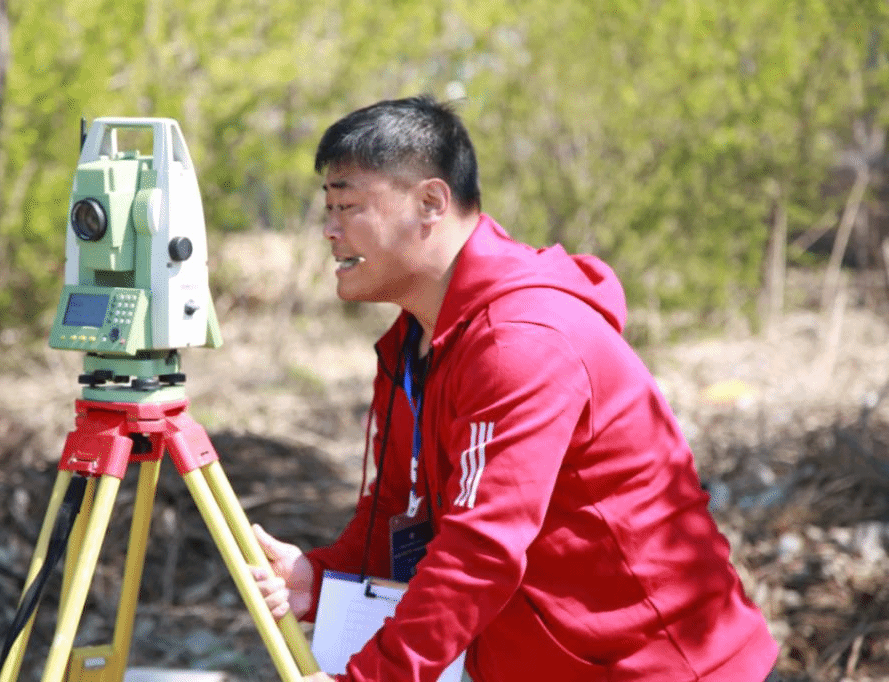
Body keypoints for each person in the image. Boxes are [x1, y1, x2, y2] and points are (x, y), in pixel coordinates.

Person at [249, 95, 780, 682]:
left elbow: (480, 549)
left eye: (347, 206)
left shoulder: (520, 343)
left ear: (430, 203)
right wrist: (320, 579)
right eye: (328, 209)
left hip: (660, 668)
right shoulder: (416, 341)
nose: (329, 230)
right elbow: (401, 509)